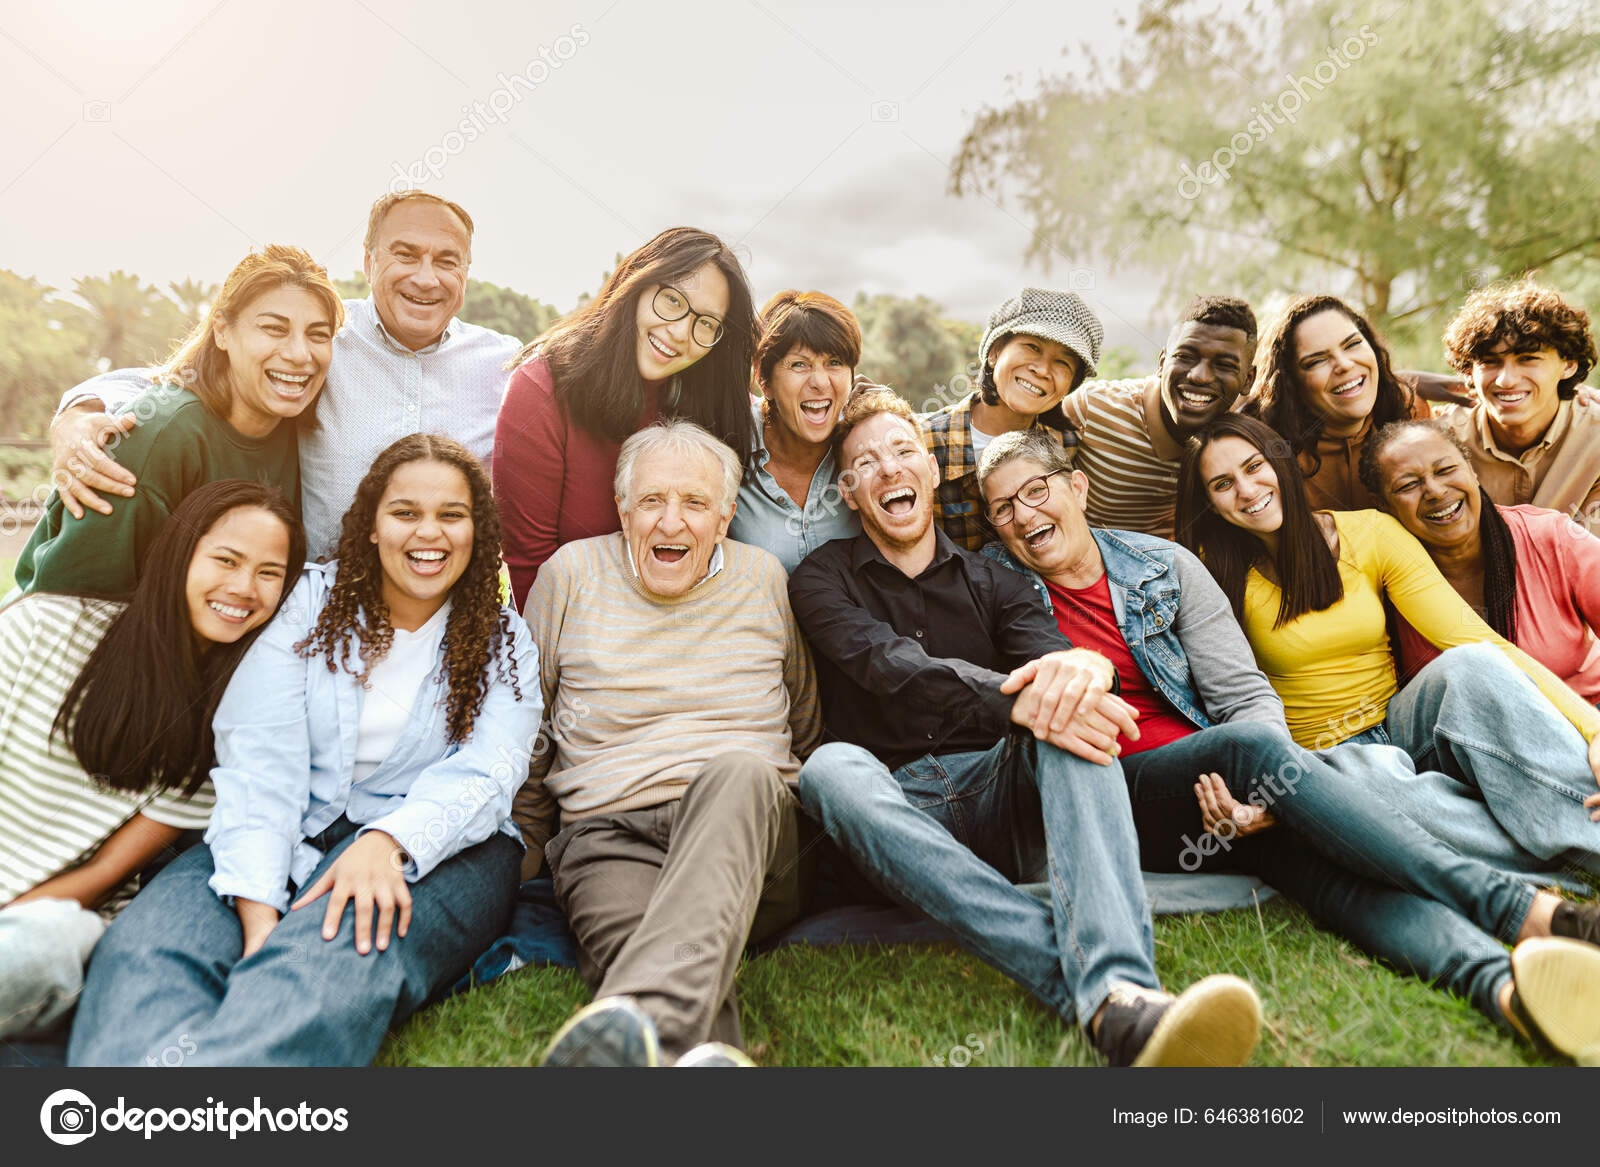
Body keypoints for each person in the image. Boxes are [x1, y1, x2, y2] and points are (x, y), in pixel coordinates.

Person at [973, 426, 1600, 1060]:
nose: (1025, 515)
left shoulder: (1161, 565)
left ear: (1077, 488)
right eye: (1003, 508)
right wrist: (1257, 765)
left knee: (1334, 880)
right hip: (1118, 790)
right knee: (1245, 747)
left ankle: (1506, 994)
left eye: (1036, 490)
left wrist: (1259, 802)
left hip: (1219, 795)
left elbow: (1244, 694)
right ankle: (1527, 911)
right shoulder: (994, 590)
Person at [790, 387, 1266, 1068]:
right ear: (850, 491)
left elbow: (1057, 664)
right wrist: (1015, 700)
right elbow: (888, 663)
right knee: (828, 768)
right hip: (894, 805)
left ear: (930, 470)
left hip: (998, 794)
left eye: (902, 452)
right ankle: (1099, 992)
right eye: (867, 463)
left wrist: (1079, 675)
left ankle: (1120, 987)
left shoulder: (999, 582)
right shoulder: (819, 578)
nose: (889, 469)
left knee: (1072, 719)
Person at [68, 435, 539, 1067]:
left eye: (451, 515)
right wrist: (259, 911)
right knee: (149, 951)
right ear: (371, 525)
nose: (429, 532)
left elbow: (490, 772)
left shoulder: (502, 637)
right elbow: (261, 758)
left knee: (324, 959)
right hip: (289, 824)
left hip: (444, 849)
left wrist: (386, 842)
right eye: (405, 512)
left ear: (477, 531)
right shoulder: (310, 605)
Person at [1174, 413, 1600, 884]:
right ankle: (1553, 853)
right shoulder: (1211, 575)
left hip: (1401, 724)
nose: (1248, 490)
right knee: (1369, 784)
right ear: (1210, 505)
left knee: (1471, 663)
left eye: (1255, 467)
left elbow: (1475, 638)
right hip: (1321, 759)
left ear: (1281, 464)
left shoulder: (1370, 533)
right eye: (1222, 484)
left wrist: (1596, 731)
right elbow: (1227, 695)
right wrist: (1267, 791)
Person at [513, 420, 819, 1067]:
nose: (671, 522)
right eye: (652, 500)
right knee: (657, 948)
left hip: (745, 827)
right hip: (607, 835)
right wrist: (527, 847)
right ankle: (690, 1052)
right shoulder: (570, 576)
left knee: (738, 770)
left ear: (727, 513)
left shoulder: (763, 579)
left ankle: (637, 1032)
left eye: (695, 502)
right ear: (624, 509)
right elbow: (527, 730)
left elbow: (805, 717)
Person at [47, 190, 521, 560]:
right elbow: (181, 379)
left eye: (446, 261)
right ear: (370, 261)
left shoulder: (504, 367)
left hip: (441, 617)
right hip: (311, 611)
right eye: (406, 254)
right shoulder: (319, 339)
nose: (425, 277)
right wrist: (79, 412)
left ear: (466, 272)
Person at [0, 481, 303, 1042]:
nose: (243, 588)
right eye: (226, 559)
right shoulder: (42, 628)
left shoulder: (225, 731)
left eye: (269, 572)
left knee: (43, 944)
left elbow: (101, 876)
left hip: (44, 927)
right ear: (178, 555)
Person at [16, 245, 338, 597]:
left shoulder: (305, 428)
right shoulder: (159, 434)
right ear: (222, 331)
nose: (299, 354)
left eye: (318, 334)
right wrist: (75, 412)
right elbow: (70, 602)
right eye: (274, 328)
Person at [494, 227, 759, 607]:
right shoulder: (542, 389)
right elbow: (531, 571)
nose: (681, 332)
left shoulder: (710, 397)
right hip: (582, 635)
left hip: (697, 628)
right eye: (671, 300)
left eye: (705, 324)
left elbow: (779, 410)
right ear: (636, 285)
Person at [1361, 418, 1600, 703]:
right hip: (1464, 740)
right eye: (1408, 485)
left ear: (1472, 471)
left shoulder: (1551, 536)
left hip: (1586, 720)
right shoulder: (1378, 581)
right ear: (1383, 505)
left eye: (1446, 470)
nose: (1436, 491)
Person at [1060, 295, 1256, 539]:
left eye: (1224, 364)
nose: (1200, 376)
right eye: (1185, 357)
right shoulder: (1092, 409)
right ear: (1162, 362)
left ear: (1248, 379)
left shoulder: (1246, 441)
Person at [919, 287, 1099, 550]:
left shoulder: (1066, 446)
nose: (1042, 369)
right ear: (994, 353)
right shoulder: (924, 442)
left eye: (1063, 363)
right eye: (1032, 347)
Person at [1432, 279, 1600, 531]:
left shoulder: (1594, 437)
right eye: (1490, 361)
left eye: (1528, 359)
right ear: (1468, 371)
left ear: (1568, 365)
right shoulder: (1440, 439)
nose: (1506, 380)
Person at [1244, 294, 1430, 511]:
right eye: (1317, 360)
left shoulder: (1410, 409)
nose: (1344, 364)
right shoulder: (1263, 451)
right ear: (1290, 381)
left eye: (1352, 344)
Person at [727, 290, 864, 573]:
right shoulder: (727, 445)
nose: (820, 382)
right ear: (764, 381)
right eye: (799, 364)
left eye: (835, 362)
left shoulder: (868, 444)